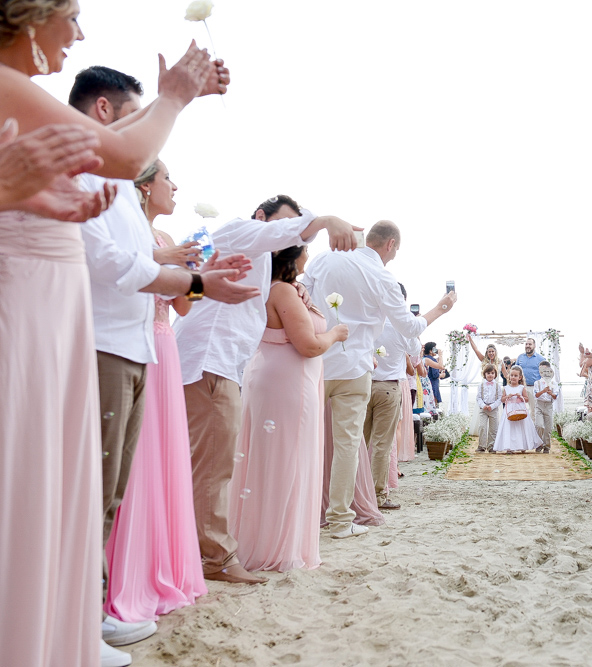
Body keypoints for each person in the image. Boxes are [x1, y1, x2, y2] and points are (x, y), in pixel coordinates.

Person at [0, 4, 232, 663]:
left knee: (64, 490)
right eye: (70, 14)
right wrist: (176, 95)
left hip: (62, 321)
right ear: (26, 14)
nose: (79, 30)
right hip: (35, 317)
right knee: (46, 485)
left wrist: (41, 200)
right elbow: (129, 154)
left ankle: (62, 620)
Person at [174, 194, 359, 584]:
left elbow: (188, 299)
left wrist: (200, 288)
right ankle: (215, 560)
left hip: (218, 364)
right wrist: (325, 220)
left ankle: (206, 553)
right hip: (210, 361)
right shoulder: (240, 231)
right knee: (212, 467)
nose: (291, 237)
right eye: (285, 225)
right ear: (262, 218)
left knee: (215, 463)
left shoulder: (253, 259)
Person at [103, 160, 208, 625]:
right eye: (168, 179)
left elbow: (185, 305)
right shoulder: (129, 235)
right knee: (133, 458)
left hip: (164, 348)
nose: (176, 187)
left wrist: (198, 275)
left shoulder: (168, 240)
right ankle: (122, 573)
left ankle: (162, 567)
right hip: (128, 344)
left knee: (164, 459)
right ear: (146, 188)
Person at [304, 220, 456, 537]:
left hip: (315, 360)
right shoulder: (382, 276)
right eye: (396, 250)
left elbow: (303, 292)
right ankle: (340, 521)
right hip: (355, 368)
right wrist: (440, 309)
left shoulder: (324, 257)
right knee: (347, 445)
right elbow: (411, 329)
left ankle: (304, 512)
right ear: (390, 245)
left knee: (308, 441)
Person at [229, 244, 345, 572]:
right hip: (287, 383)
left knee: (274, 461)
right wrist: (335, 333)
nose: (309, 253)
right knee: (287, 460)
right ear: (292, 257)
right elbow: (308, 345)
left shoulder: (283, 289)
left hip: (275, 376)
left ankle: (270, 540)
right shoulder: (281, 291)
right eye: (305, 248)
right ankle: (279, 549)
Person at [366, 283, 421, 511]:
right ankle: (378, 497)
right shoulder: (401, 326)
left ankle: (355, 494)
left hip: (361, 385)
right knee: (381, 446)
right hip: (388, 388)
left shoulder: (368, 318)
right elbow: (416, 352)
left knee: (358, 444)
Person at [493, 365, 545, 453]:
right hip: (509, 410)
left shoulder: (522, 388)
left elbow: (527, 399)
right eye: (512, 375)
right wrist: (507, 397)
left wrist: (521, 397)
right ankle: (509, 447)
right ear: (509, 376)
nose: (513, 377)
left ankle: (523, 446)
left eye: (515, 376)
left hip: (520, 409)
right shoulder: (506, 388)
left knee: (521, 427)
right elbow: (502, 399)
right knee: (510, 428)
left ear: (520, 377)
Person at [533, 360, 559, 450]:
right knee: (539, 425)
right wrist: (543, 391)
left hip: (548, 405)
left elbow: (556, 396)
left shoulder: (554, 383)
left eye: (546, 370)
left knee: (548, 427)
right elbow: (536, 395)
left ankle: (546, 446)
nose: (544, 372)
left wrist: (551, 393)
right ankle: (539, 444)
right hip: (539, 405)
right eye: (541, 370)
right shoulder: (537, 383)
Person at [517, 338, 546, 417]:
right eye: (526, 344)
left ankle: (533, 429)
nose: (527, 346)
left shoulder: (541, 359)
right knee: (521, 410)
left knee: (534, 411)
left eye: (530, 344)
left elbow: (545, 376)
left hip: (534, 388)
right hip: (522, 388)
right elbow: (516, 372)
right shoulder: (520, 357)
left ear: (534, 346)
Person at [476, 364, 502, 451]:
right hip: (483, 409)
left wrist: (492, 406)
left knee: (493, 428)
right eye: (488, 373)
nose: (490, 375)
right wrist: (483, 405)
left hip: (493, 409)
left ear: (495, 374)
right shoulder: (481, 385)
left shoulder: (498, 386)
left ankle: (491, 446)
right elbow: (478, 397)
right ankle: (481, 446)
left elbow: (499, 398)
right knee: (482, 427)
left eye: (492, 373)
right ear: (484, 374)